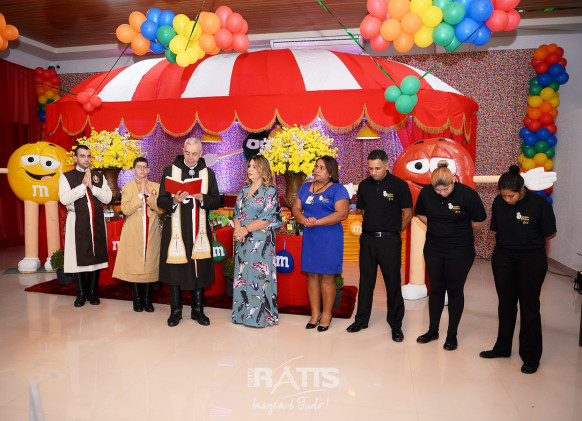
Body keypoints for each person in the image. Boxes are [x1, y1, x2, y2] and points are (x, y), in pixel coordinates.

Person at [480, 165, 557, 374]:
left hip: (531, 258)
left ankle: (531, 357)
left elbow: (550, 233)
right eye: (504, 195)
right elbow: (497, 228)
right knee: (505, 304)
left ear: (522, 190)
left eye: (511, 196)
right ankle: (502, 347)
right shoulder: (498, 202)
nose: (507, 200)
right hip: (503, 257)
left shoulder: (539, 204)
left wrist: (528, 240)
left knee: (529, 306)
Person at [414, 161, 487, 351]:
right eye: (438, 190)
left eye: (445, 189)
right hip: (434, 248)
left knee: (454, 290)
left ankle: (452, 334)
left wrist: (459, 231)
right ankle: (433, 330)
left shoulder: (467, 194)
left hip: (460, 250)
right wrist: (437, 226)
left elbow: (479, 221)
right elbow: (420, 214)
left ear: (453, 180)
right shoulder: (426, 193)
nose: (442, 193)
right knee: (436, 289)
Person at [346, 150, 412, 342]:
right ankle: (361, 320)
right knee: (366, 282)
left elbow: (407, 213)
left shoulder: (399, 185)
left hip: (390, 241)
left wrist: (393, 232)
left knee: (392, 283)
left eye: (377, 168)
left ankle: (396, 325)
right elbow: (364, 211)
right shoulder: (364, 186)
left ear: (386, 165)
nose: (373, 172)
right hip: (368, 240)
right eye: (370, 169)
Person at [157, 137, 221, 327]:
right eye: (187, 153)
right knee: (175, 270)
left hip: (198, 230)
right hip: (176, 229)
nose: (190, 157)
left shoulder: (208, 173)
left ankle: (197, 310)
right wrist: (174, 200)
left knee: (198, 268)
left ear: (201, 154)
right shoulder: (170, 171)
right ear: (182, 151)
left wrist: (202, 197)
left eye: (194, 154)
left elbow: (217, 201)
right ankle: (175, 311)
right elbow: (161, 201)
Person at [292, 156, 349, 332]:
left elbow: (342, 214)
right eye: (316, 166)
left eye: (322, 168)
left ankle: (326, 315)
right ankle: (315, 314)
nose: (316, 170)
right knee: (311, 275)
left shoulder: (338, 189)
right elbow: (296, 208)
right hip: (311, 236)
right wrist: (303, 220)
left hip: (329, 238)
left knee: (326, 276)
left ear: (331, 172)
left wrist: (316, 222)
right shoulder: (305, 187)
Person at [59, 144, 112, 307]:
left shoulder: (99, 176)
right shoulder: (66, 177)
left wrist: (92, 187)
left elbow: (108, 198)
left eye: (88, 156)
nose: (86, 159)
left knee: (96, 256)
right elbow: (64, 199)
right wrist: (82, 186)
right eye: (82, 156)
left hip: (96, 221)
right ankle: (81, 294)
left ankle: (93, 293)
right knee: (78, 256)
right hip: (77, 221)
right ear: (75, 158)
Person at [232, 155, 282, 327]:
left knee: (258, 277)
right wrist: (238, 230)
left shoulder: (270, 191)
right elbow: (236, 212)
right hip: (242, 239)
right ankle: (241, 315)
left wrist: (246, 229)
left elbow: (268, 218)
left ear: (262, 169)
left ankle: (260, 317)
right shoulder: (244, 188)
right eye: (249, 166)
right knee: (242, 276)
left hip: (261, 240)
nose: (250, 169)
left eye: (254, 166)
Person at [113, 157, 161, 313]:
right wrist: (140, 196)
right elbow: (126, 210)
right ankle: (137, 300)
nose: (142, 170)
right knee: (135, 264)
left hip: (151, 230)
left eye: (144, 167)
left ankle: (147, 300)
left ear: (148, 170)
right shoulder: (127, 187)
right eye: (139, 167)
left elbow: (161, 208)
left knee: (150, 264)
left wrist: (149, 196)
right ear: (133, 170)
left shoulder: (156, 186)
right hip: (133, 231)